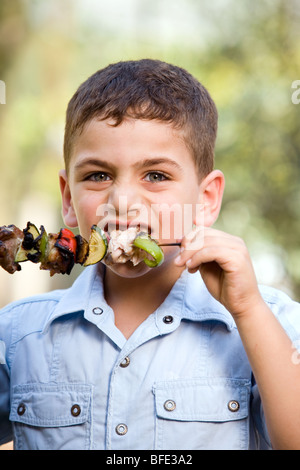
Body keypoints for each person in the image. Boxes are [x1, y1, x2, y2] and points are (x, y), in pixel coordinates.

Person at [0, 59, 300, 451]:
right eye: (98, 175)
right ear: (69, 198)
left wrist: (248, 310)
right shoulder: (17, 335)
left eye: (156, 176)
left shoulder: (269, 322)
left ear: (206, 200)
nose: (122, 201)